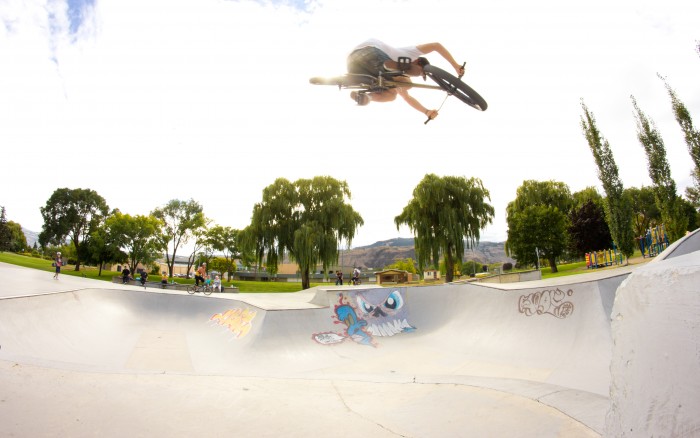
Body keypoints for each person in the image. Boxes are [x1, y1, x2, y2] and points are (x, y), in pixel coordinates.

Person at [346, 39, 465, 120]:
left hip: (353, 65)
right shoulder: (412, 53)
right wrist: (455, 65)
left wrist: (426, 111)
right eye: (421, 71)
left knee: (392, 95)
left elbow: (407, 97)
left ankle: (365, 97)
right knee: (407, 83)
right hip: (370, 51)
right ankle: (388, 66)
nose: (415, 76)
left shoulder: (396, 77)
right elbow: (435, 45)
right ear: (418, 61)